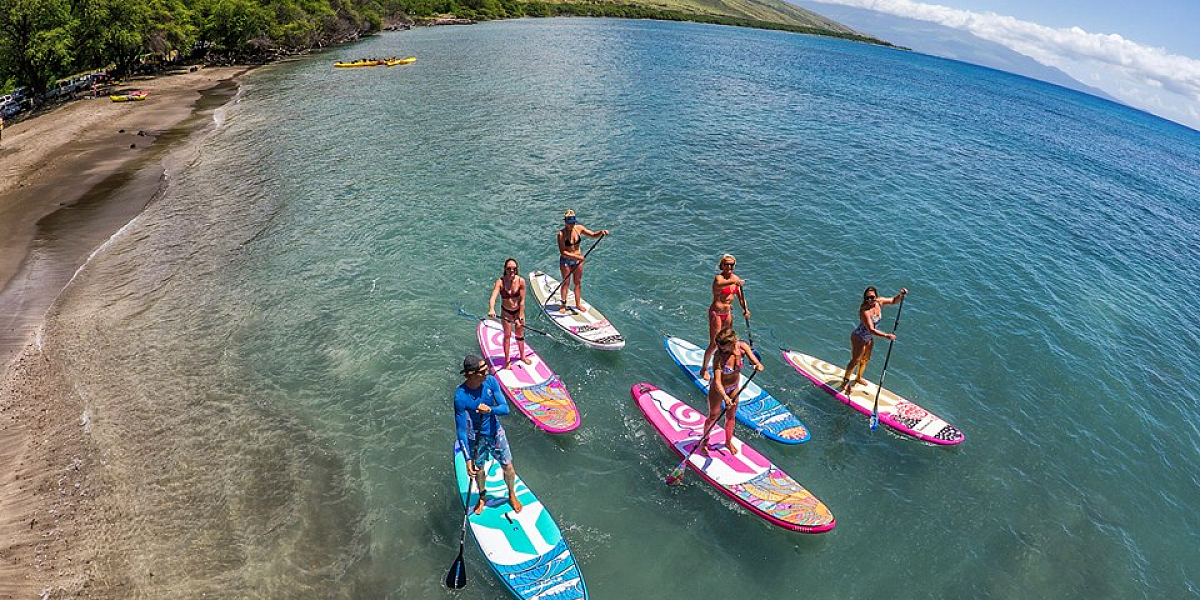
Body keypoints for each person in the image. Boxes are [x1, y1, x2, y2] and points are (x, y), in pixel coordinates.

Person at [453, 355, 522, 514]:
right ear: (472, 374)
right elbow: (461, 430)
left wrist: (491, 410)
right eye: (483, 371)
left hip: (495, 432)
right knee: (479, 469)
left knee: (508, 467)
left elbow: (505, 408)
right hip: (475, 438)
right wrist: (468, 459)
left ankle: (511, 494)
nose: (488, 372)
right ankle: (482, 496)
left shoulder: (491, 382)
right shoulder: (460, 396)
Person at [702, 328, 763, 456]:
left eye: (724, 348)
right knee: (713, 416)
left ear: (733, 342)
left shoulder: (742, 347)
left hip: (734, 388)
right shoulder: (718, 356)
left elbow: (754, 360)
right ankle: (705, 441)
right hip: (718, 391)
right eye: (719, 347)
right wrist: (725, 397)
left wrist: (757, 364)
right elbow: (717, 381)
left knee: (731, 417)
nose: (721, 350)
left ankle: (728, 442)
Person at [839, 286, 908, 395]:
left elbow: (894, 300)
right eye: (867, 298)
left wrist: (901, 295)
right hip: (859, 337)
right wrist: (886, 336)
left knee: (866, 359)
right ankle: (845, 381)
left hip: (868, 338)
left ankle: (858, 378)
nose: (870, 300)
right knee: (855, 361)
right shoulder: (864, 311)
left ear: (876, 296)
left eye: (872, 297)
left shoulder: (879, 302)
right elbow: (871, 329)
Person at [701, 254, 748, 381]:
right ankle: (704, 369)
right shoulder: (719, 278)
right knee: (714, 344)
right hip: (716, 313)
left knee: (729, 341)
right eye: (726, 264)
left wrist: (745, 309)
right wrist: (736, 282)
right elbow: (722, 284)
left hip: (727, 313)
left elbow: (741, 297)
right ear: (721, 265)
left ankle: (724, 365)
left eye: (731, 264)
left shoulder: (735, 279)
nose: (729, 266)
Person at [556, 209, 610, 313]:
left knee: (577, 282)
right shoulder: (561, 234)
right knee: (566, 282)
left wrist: (601, 232)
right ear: (565, 222)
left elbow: (593, 235)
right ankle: (563, 304)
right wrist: (577, 257)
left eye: (573, 223)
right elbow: (563, 252)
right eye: (569, 223)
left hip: (578, 260)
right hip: (566, 261)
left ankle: (578, 304)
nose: (571, 225)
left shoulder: (579, 228)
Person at [487, 257, 530, 369]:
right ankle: (507, 361)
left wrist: (520, 316)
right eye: (509, 268)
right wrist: (492, 309)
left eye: (514, 269)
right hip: (506, 313)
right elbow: (493, 297)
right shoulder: (500, 282)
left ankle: (522, 356)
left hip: (518, 312)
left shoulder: (521, 281)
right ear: (505, 269)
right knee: (507, 336)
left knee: (520, 335)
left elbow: (522, 301)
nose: (512, 271)